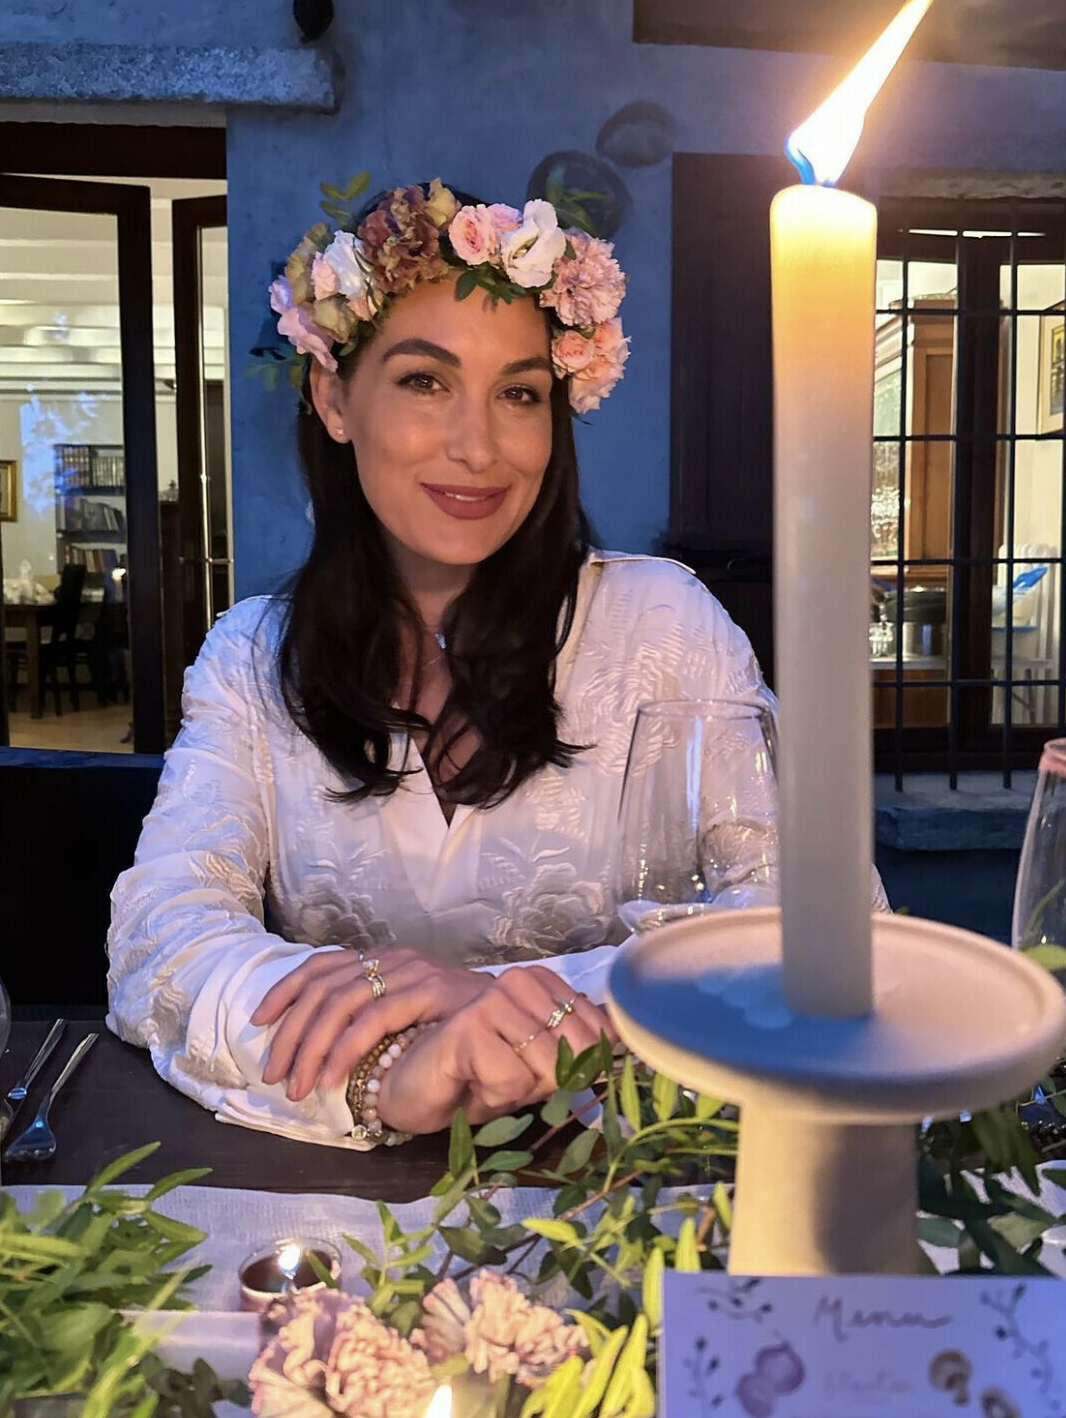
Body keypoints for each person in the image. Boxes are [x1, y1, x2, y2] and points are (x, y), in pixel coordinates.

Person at [107, 178, 887, 1150]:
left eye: (518, 393)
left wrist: (496, 1005)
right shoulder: (250, 660)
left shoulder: (664, 628)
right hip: (346, 1198)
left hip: (629, 1172)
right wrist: (389, 1069)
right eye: (424, 382)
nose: (477, 447)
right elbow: (162, 943)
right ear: (334, 397)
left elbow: (818, 920)